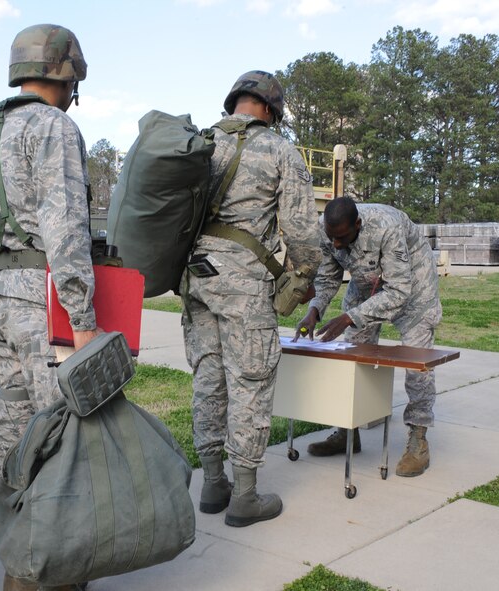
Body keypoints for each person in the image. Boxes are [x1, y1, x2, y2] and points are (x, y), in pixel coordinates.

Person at [0, 23, 96, 591]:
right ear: (68, 72)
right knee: (62, 437)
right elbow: (66, 228)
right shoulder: (56, 128)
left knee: (13, 442)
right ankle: (56, 575)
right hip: (43, 307)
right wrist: (81, 319)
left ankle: (19, 568)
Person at [183, 71, 321, 527]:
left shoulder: (201, 141)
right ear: (270, 108)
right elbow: (301, 230)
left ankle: (211, 483)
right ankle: (245, 497)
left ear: (235, 102)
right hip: (243, 283)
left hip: (195, 278)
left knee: (208, 378)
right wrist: (304, 276)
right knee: (250, 381)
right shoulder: (279, 150)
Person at [296, 197, 442, 477]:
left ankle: (418, 440)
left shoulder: (386, 227)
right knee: (351, 355)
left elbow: (399, 290)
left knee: (417, 361)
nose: (336, 244)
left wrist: (350, 316)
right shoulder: (326, 231)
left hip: (412, 283)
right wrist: (314, 310)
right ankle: (347, 430)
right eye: (331, 237)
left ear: (358, 225)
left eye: (341, 237)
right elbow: (328, 278)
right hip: (366, 283)